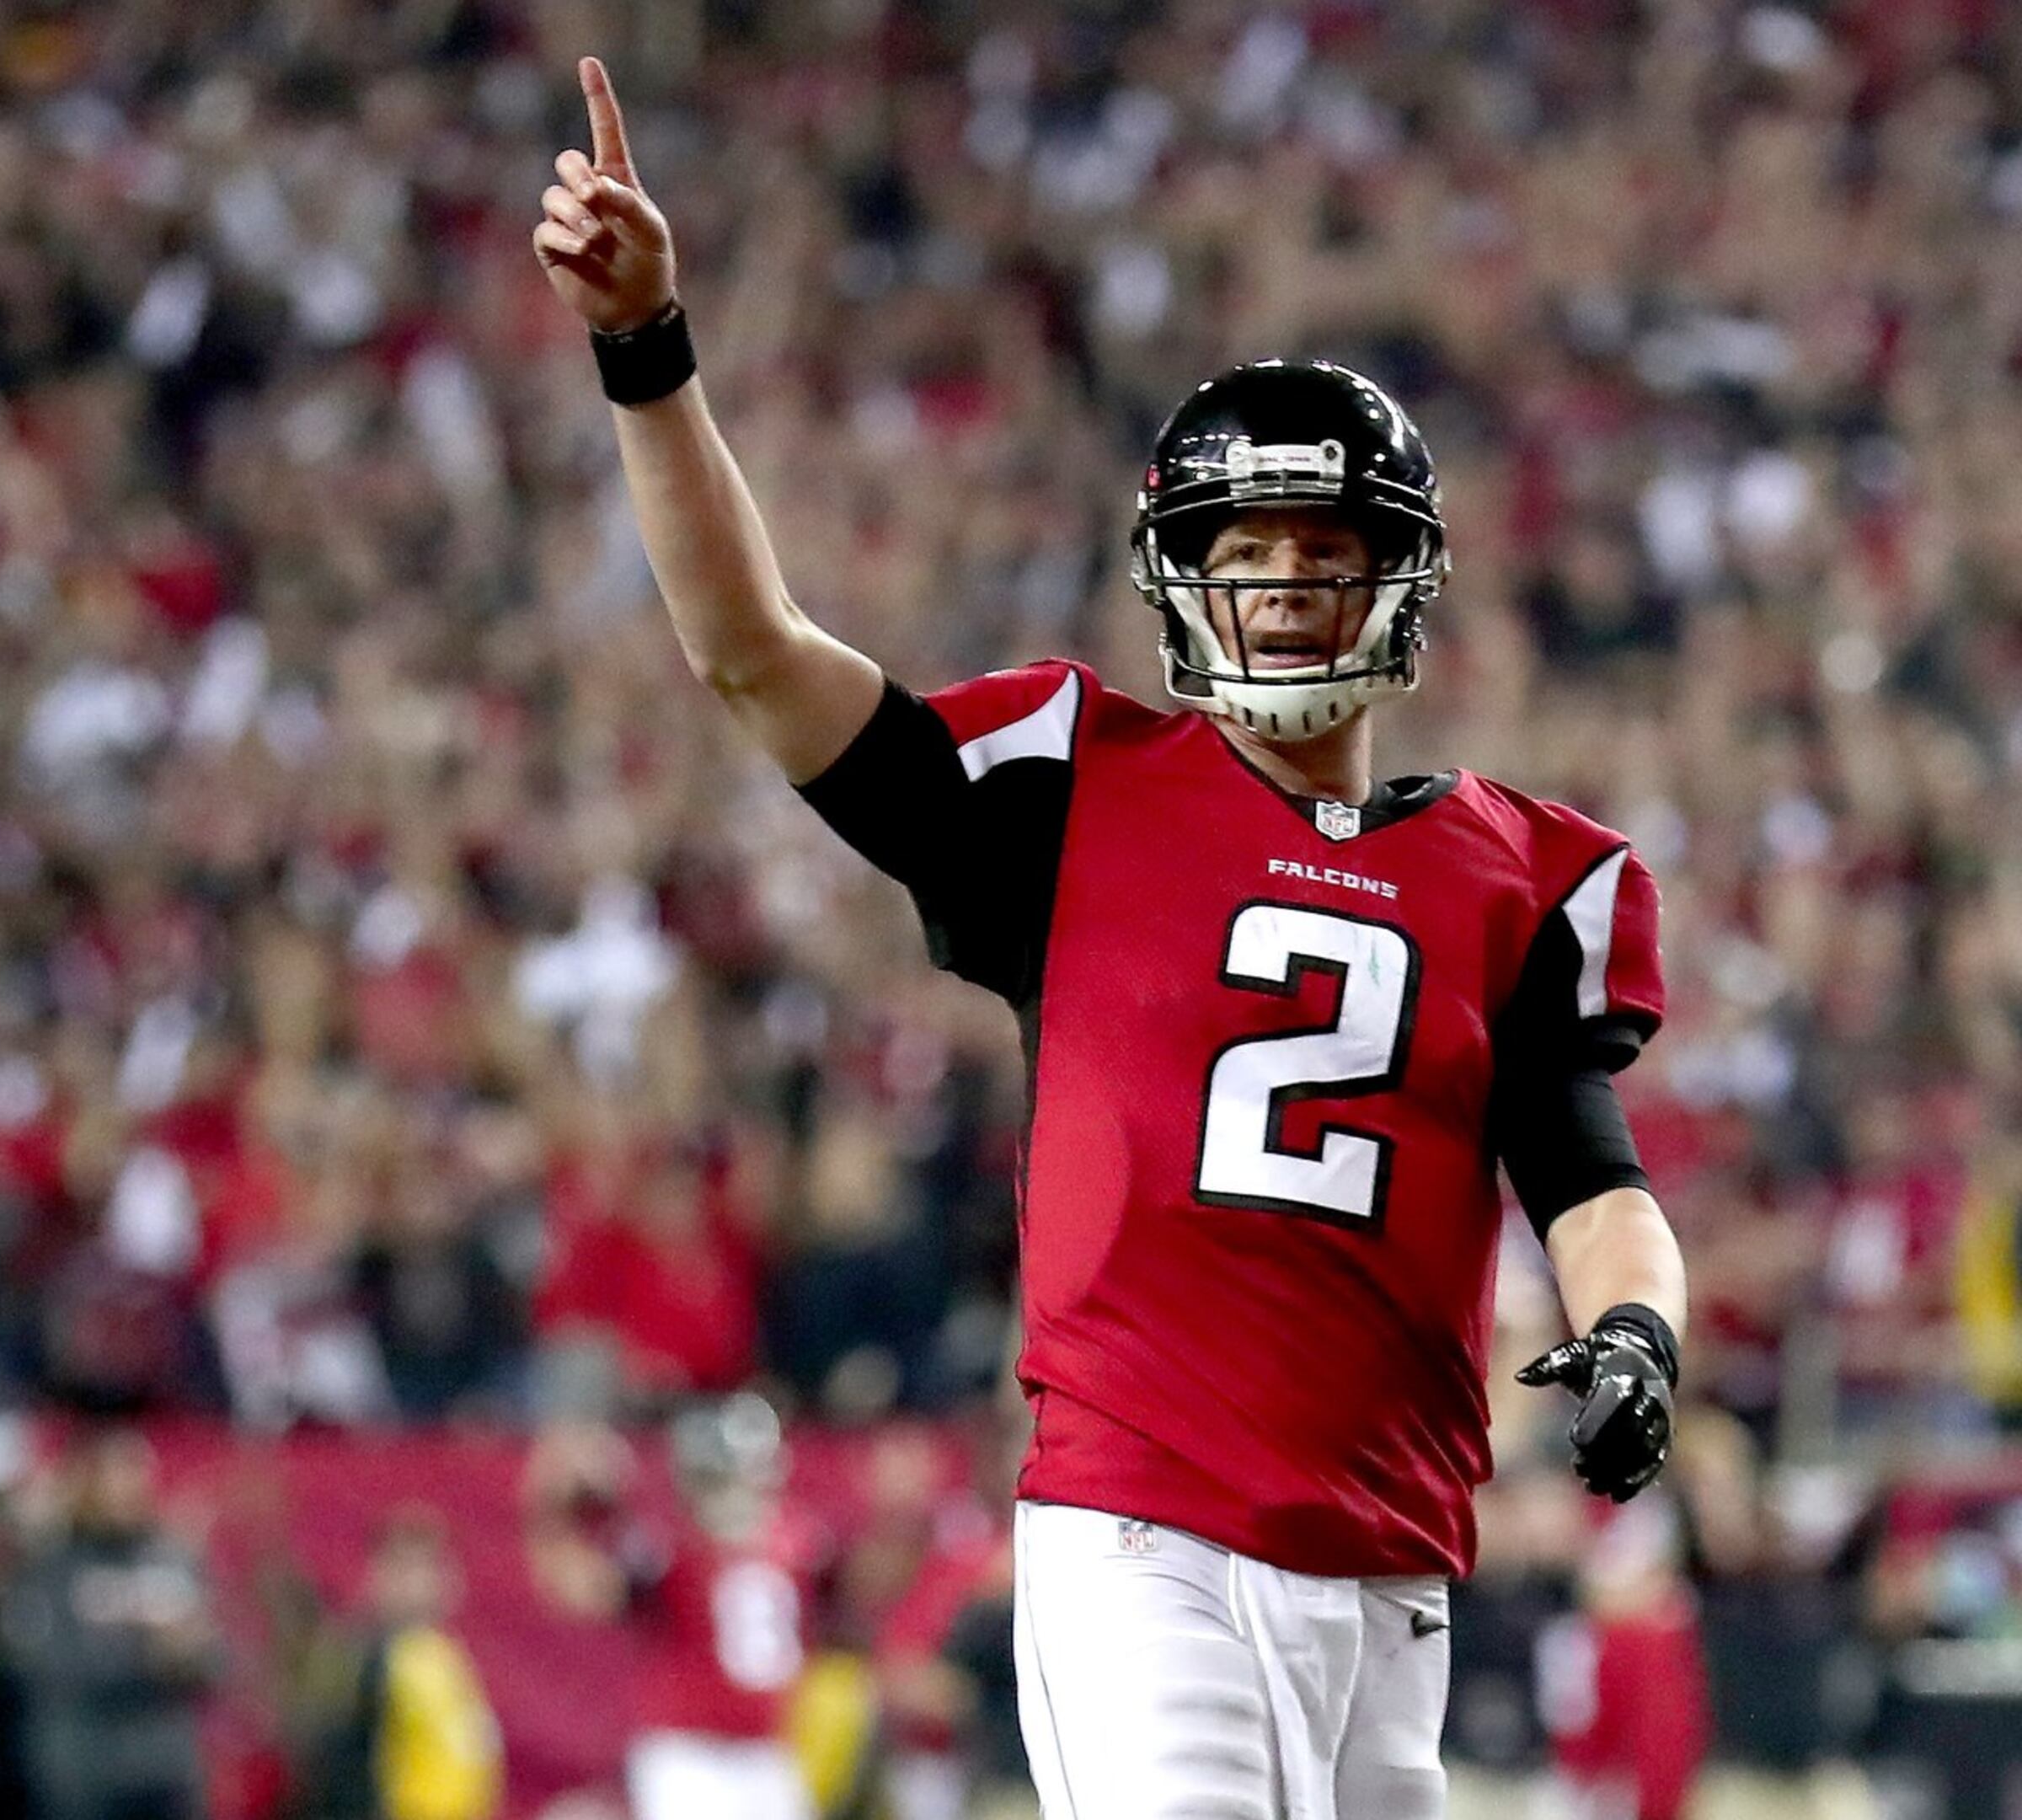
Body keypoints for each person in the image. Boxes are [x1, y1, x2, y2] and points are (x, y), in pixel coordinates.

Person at [532, 56, 1690, 1820]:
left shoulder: (1522, 874)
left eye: (1325, 544)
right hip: (1143, 1540)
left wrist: (1636, 1335)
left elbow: (1592, 1178)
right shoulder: (1073, 786)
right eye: (1250, 546)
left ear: (1404, 577)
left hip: (1394, 1576)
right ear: (1180, 573)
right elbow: (756, 655)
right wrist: (648, 353)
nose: (1289, 582)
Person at [527, 1397, 820, 1820]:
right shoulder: (671, 1548)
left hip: (769, 1749)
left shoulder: (799, 1543)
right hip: (689, 1751)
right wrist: (555, 1507)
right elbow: (582, 1591)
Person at [0, 1427, 219, 1820]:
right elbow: (49, 1666)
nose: (125, 1491)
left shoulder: (171, 1558)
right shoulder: (52, 1565)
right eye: (112, 1476)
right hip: (85, 1770)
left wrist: (189, 1656)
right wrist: (150, 1651)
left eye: (134, 1476)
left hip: (163, 1770)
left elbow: (214, 1664)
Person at [306, 1511, 500, 1820]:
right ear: (381, 1574)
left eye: (435, 1566)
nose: (426, 1580)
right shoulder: (367, 1654)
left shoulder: (442, 1652)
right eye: (410, 1568)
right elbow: (339, 1765)